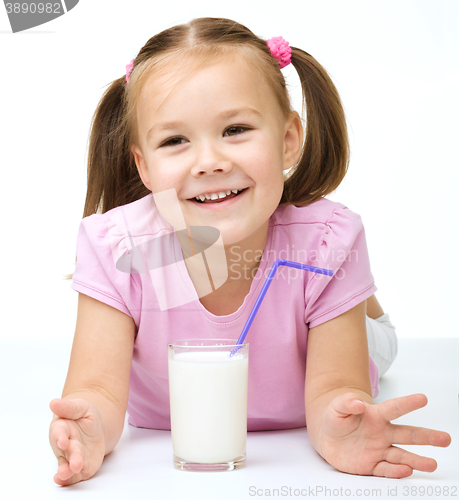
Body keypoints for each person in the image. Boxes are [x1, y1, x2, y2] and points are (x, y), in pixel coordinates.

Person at [48, 17, 451, 486]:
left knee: (370, 327)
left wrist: (338, 428)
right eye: (175, 140)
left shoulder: (329, 239)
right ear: (143, 165)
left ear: (287, 141)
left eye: (236, 129)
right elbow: (96, 389)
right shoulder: (115, 247)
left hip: (345, 322)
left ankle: (361, 304)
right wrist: (88, 430)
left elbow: (337, 388)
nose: (210, 161)